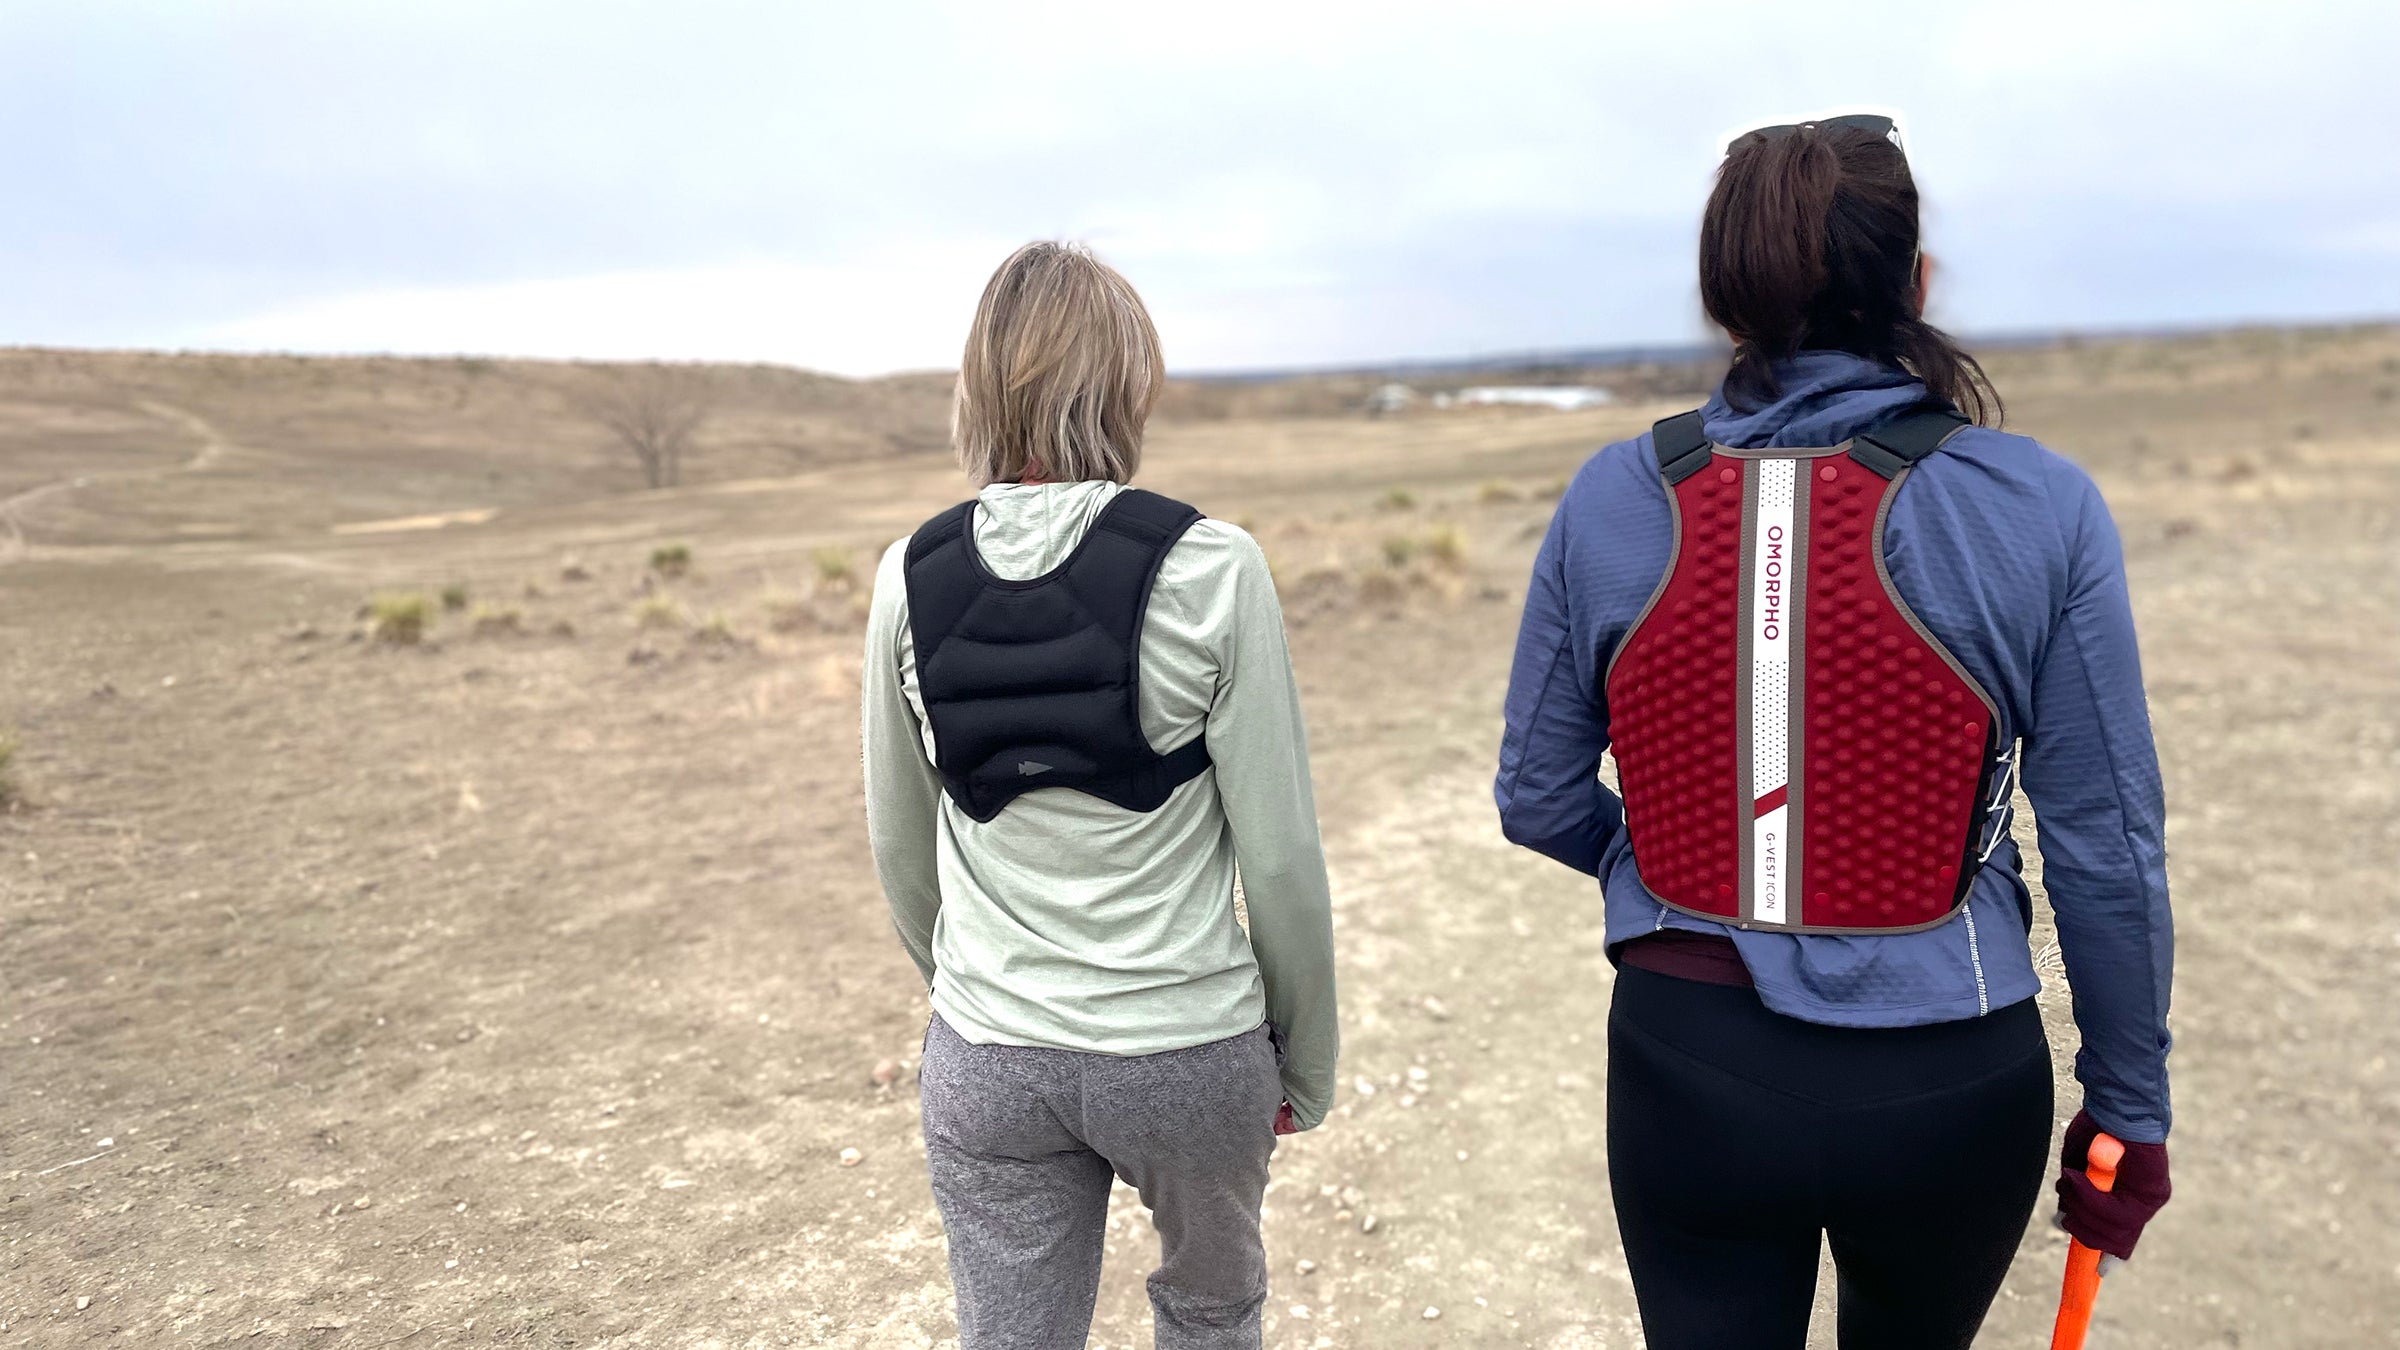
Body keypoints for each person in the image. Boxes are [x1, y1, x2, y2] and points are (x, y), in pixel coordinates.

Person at [1495, 114, 2173, 1349]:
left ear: (1727, 300)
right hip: (1950, 1078)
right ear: (1916, 284)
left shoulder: (1610, 497)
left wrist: (1677, 861)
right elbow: (2104, 850)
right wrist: (2132, 1102)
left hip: (1687, 1066)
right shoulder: (2040, 507)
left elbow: (1537, 797)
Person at [862, 240, 1339, 1350]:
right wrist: (1302, 1064)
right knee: (1213, 1315)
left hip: (990, 1058)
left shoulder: (907, 574)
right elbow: (1279, 863)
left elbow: (899, 844)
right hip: (1186, 1051)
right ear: (1128, 384)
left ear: (979, 385)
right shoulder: (1214, 565)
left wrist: (981, 1001)